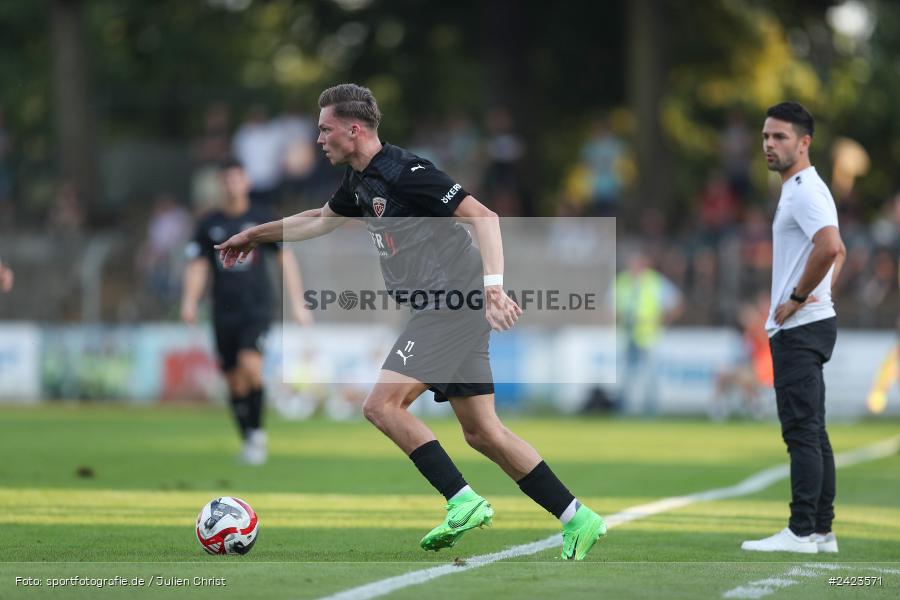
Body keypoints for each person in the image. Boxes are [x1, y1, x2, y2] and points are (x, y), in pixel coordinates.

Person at [214, 83, 606, 560]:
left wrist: (493, 288)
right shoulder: (359, 181)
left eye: (325, 129)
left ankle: (462, 501)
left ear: (353, 130)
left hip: (451, 303)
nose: (318, 139)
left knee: (382, 406)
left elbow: (484, 217)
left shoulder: (407, 171)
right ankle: (577, 518)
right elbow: (318, 219)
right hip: (444, 306)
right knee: (483, 432)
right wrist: (254, 235)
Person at [741, 102, 846, 554]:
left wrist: (801, 297)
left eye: (780, 137)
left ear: (804, 143)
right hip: (809, 324)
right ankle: (821, 531)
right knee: (813, 431)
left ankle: (801, 531)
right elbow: (837, 251)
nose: (769, 144)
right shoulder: (802, 188)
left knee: (802, 432)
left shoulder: (804, 191)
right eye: (766, 136)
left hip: (800, 328)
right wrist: (819, 292)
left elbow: (831, 246)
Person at [181, 158, 313, 465]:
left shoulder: (262, 218)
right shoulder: (209, 224)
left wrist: (298, 303)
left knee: (250, 366)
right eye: (226, 180)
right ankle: (249, 438)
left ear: (247, 182)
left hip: (257, 307)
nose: (232, 185)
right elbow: (198, 265)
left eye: (237, 178)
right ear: (221, 184)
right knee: (233, 380)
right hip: (222, 309)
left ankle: (258, 437)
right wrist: (190, 300)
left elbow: (285, 258)